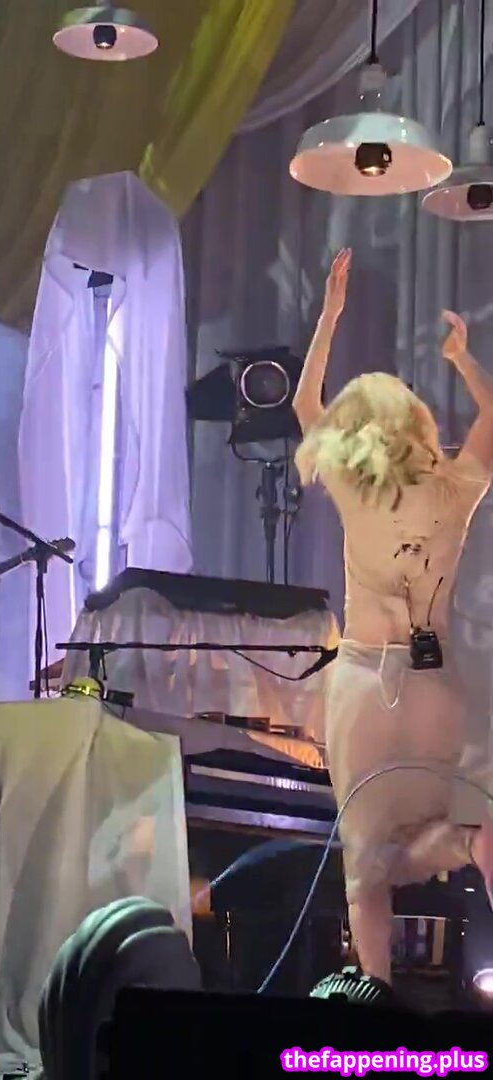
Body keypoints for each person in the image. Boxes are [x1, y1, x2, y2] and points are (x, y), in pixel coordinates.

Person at [292, 249, 493, 988]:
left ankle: (374, 999)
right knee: (468, 826)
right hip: (437, 692)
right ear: (420, 424)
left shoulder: (356, 487)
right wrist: (463, 360)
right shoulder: (458, 488)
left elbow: (305, 406)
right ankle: (471, 847)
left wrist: (330, 313)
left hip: (365, 688)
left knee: (365, 868)